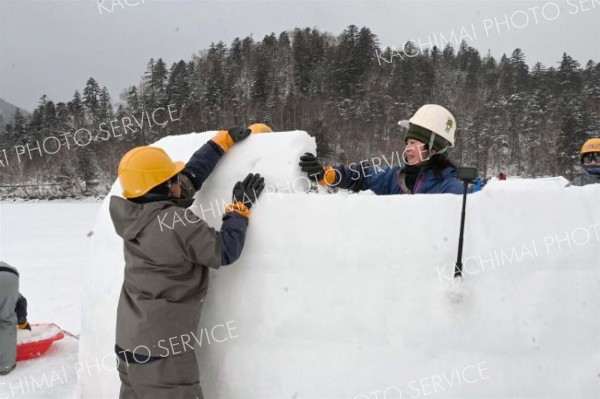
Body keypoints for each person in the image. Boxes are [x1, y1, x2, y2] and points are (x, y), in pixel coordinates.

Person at [110, 127, 265, 399]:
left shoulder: (134, 216)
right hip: (163, 355)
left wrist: (220, 143)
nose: (178, 182)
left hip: (129, 346)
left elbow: (189, 178)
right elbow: (224, 251)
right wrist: (239, 209)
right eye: (172, 179)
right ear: (163, 188)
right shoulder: (177, 223)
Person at [299, 104, 463, 195]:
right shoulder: (396, 177)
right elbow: (363, 175)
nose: (407, 148)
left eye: (414, 143)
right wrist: (328, 174)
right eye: (407, 143)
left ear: (434, 149)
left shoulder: (451, 189)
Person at [0, 262, 30, 376]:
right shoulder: (14, 296)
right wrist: (22, 322)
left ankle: (4, 364)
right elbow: (21, 303)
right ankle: (5, 365)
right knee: (6, 320)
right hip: (11, 275)